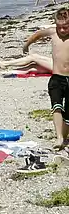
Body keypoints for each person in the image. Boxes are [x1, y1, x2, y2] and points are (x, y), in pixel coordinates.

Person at [22, 8, 69, 150]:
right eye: (59, 27)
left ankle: (64, 136)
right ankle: (59, 137)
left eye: (65, 27)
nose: (62, 30)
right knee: (56, 107)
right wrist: (27, 44)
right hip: (56, 78)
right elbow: (37, 35)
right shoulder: (52, 32)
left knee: (68, 113)